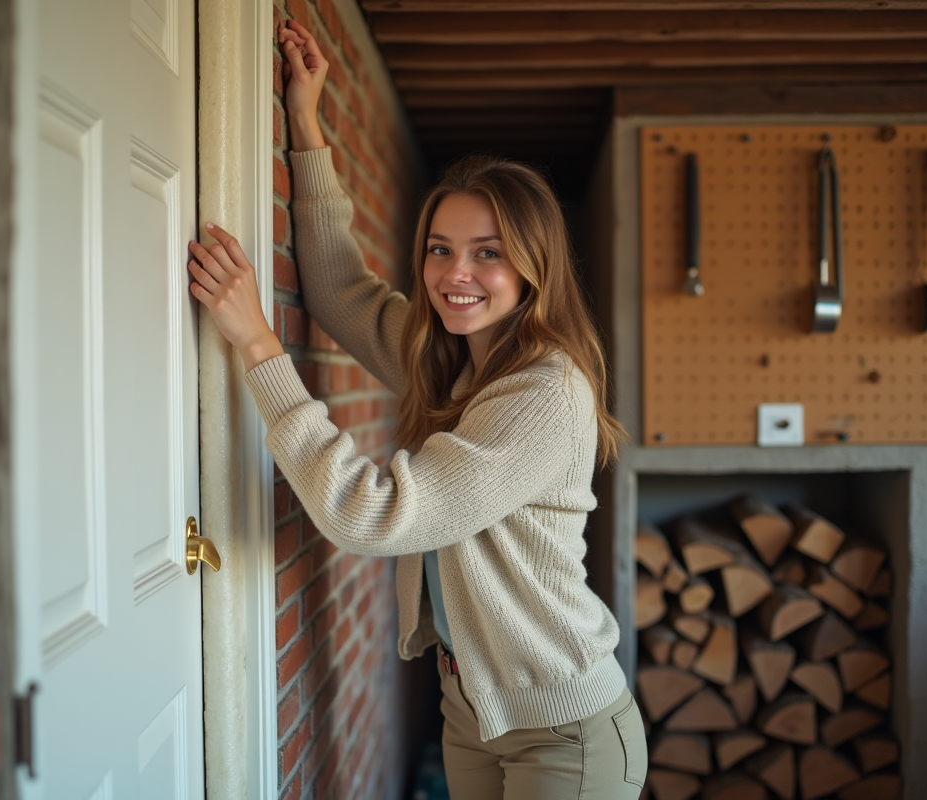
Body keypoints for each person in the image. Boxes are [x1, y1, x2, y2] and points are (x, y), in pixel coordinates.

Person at [185, 19, 648, 799]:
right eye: (440, 248)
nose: (454, 273)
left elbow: (373, 515)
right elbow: (339, 290)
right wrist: (304, 120)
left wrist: (259, 346)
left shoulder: (543, 391)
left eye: (487, 251)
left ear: (533, 267)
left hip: (565, 734)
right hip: (472, 709)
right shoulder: (450, 353)